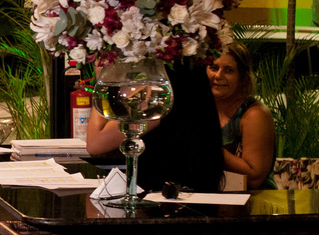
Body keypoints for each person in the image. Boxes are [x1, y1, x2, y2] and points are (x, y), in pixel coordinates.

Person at [86, 60, 226, 193]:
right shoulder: (193, 91)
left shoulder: (160, 97)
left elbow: (96, 143)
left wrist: (105, 79)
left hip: (165, 195)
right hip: (188, 190)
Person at [208, 42, 277, 188]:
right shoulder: (200, 108)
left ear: (242, 77)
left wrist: (208, 147)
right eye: (214, 68)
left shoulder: (255, 114)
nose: (218, 76)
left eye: (228, 70)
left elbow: (254, 177)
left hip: (254, 202)